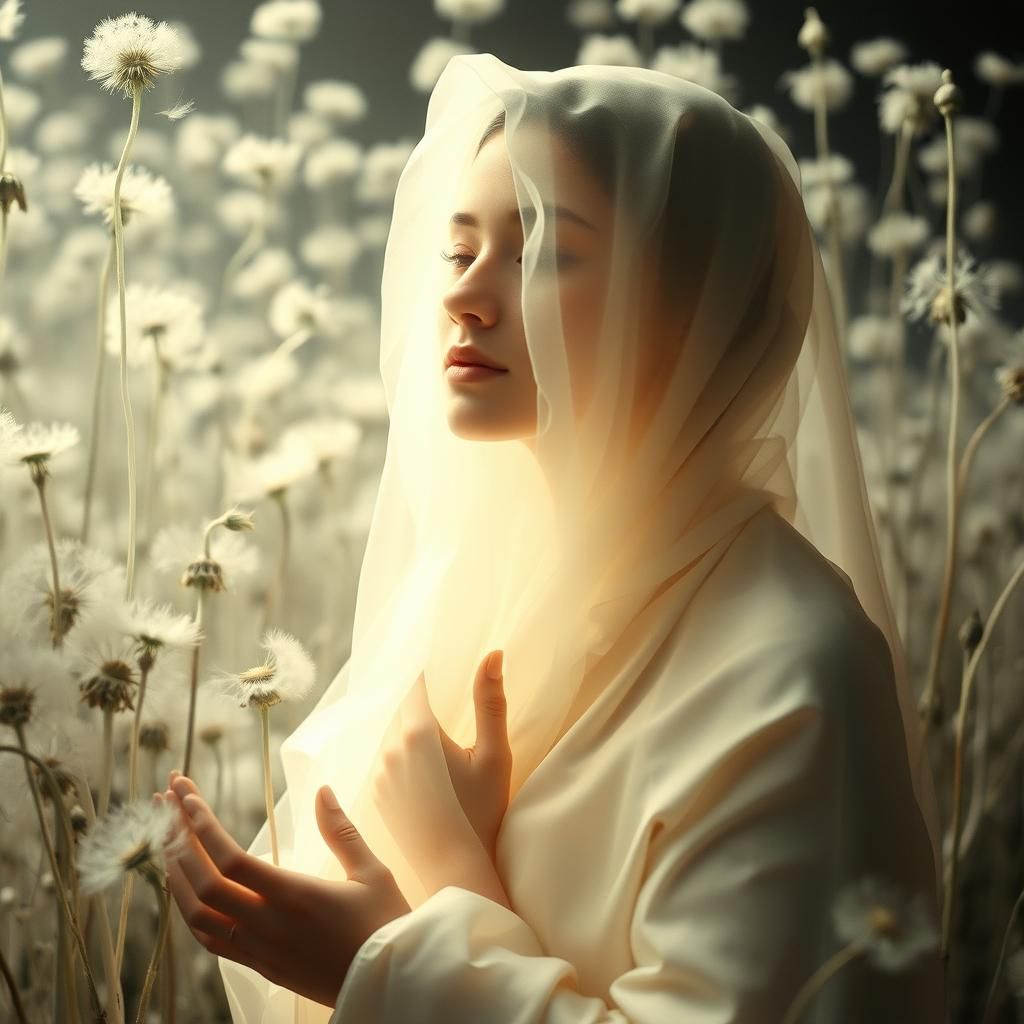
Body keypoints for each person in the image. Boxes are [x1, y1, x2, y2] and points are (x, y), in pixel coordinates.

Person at [163, 53, 946, 1022]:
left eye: (538, 246)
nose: (464, 296)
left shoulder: (793, 669)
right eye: (459, 252)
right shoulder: (480, 588)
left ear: (696, 299)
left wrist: (396, 936)